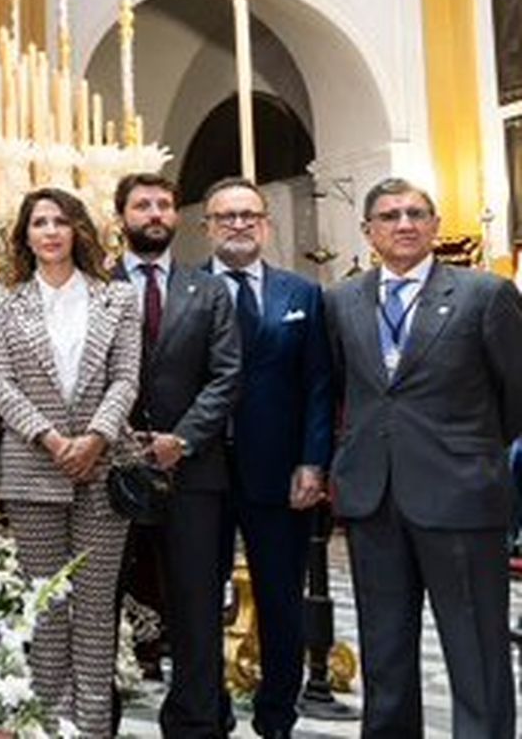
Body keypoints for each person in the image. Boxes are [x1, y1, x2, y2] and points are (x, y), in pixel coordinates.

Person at [323, 178, 522, 737]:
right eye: (389, 215)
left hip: (460, 495)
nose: (404, 223)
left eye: (416, 213)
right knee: (384, 654)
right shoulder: (341, 300)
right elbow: (345, 390)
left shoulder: (485, 294)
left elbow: (516, 395)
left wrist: (467, 450)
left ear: (435, 226)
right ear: (368, 232)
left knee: (476, 653)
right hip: (374, 498)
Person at [0, 187, 140, 738]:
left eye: (60, 221)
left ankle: (94, 730)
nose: (50, 231)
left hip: (102, 471)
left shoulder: (115, 298)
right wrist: (54, 441)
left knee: (96, 616)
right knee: (47, 611)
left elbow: (126, 376)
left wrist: (95, 438)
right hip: (33, 471)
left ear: (78, 229)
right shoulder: (4, 301)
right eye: (38, 223)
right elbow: (0, 385)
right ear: (25, 236)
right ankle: (46, 727)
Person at [202, 178, 333, 739]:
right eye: (225, 216)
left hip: (280, 474)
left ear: (265, 224)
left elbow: (320, 384)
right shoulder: (186, 289)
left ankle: (277, 717)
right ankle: (210, 713)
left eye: (247, 214)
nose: (237, 224)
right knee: (199, 601)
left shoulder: (301, 295)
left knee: (282, 601)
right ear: (206, 226)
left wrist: (313, 462)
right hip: (200, 474)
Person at [113, 172, 239, 739]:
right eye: (143, 205)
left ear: (178, 217)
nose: (155, 213)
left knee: (196, 607)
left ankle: (194, 724)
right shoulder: (95, 285)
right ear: (122, 217)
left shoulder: (208, 290)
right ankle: (97, 720)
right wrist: (118, 439)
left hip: (192, 472)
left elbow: (226, 375)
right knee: (101, 608)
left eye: (164, 204)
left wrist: (180, 440)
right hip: (109, 472)